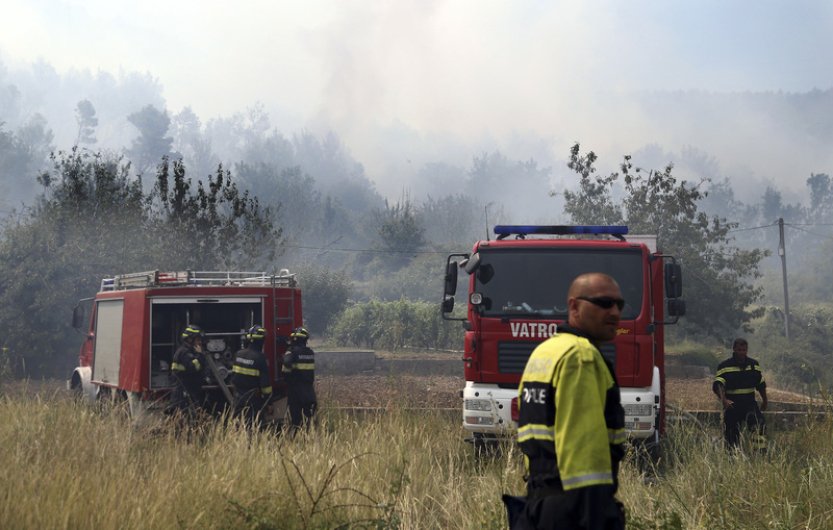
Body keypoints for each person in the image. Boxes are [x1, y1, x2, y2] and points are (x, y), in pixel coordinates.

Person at [507, 272, 626, 530]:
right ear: (574, 307)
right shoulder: (581, 356)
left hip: (537, 505)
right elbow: (584, 455)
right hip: (575, 511)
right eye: (604, 303)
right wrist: (595, 518)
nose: (615, 312)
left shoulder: (546, 351)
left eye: (620, 304)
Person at [713, 338, 768, 451]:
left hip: (750, 404)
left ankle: (760, 453)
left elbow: (760, 384)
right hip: (732, 405)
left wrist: (765, 400)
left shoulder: (753, 365)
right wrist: (724, 401)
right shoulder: (724, 366)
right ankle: (732, 456)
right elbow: (718, 385)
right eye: (739, 350)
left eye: (744, 350)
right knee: (731, 433)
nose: (742, 353)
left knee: (759, 425)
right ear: (734, 349)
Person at [231, 325, 273, 429]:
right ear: (262, 341)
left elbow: (233, 377)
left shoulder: (238, 354)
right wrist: (269, 402)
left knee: (238, 425)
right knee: (253, 427)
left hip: (238, 397)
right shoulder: (260, 358)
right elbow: (265, 386)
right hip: (253, 400)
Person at [282, 326, 317, 430]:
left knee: (296, 421)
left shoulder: (292, 352)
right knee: (308, 420)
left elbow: (286, 365)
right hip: (309, 391)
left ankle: (296, 438)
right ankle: (307, 437)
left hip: (295, 392)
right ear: (305, 340)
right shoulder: (310, 353)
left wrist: (288, 351)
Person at [170, 324, 207, 419]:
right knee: (184, 417)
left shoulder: (189, 351)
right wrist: (200, 355)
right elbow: (193, 367)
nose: (200, 342)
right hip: (183, 391)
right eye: (198, 340)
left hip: (188, 389)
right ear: (190, 339)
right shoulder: (184, 352)